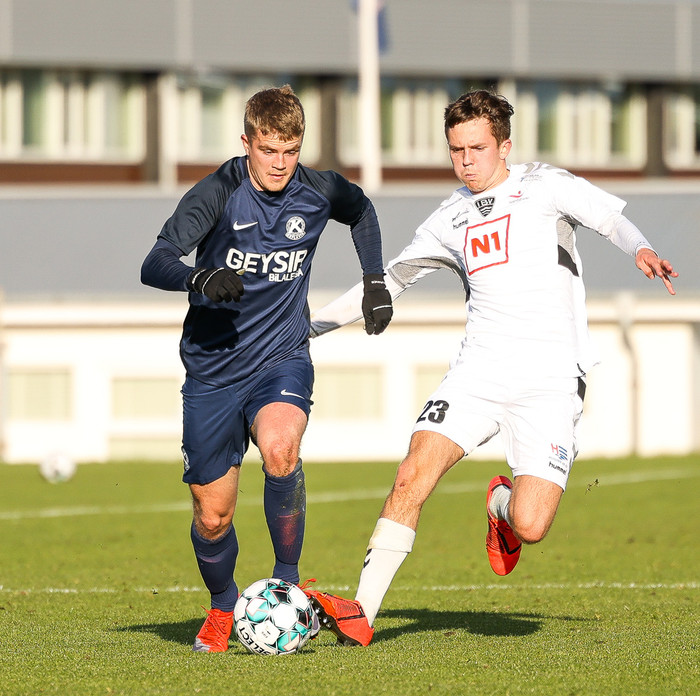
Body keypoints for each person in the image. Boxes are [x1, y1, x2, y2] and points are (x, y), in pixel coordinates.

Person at [302, 89, 678, 646]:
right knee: (413, 473)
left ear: (504, 146)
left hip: (550, 379)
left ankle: (501, 506)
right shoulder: (448, 218)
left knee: (532, 525)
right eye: (456, 150)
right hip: (478, 371)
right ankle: (362, 613)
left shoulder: (545, 186)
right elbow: (389, 282)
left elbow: (610, 219)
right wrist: (307, 328)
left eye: (477, 148)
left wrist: (641, 249)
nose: (466, 161)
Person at [140, 85, 393, 652]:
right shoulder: (217, 193)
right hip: (212, 370)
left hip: (282, 357)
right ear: (246, 142)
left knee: (282, 449)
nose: (280, 163)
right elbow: (154, 262)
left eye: (291, 150)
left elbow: (362, 211)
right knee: (213, 516)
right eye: (268, 149)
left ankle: (287, 583)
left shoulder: (318, 189)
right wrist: (199, 278)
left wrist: (374, 281)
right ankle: (222, 604)